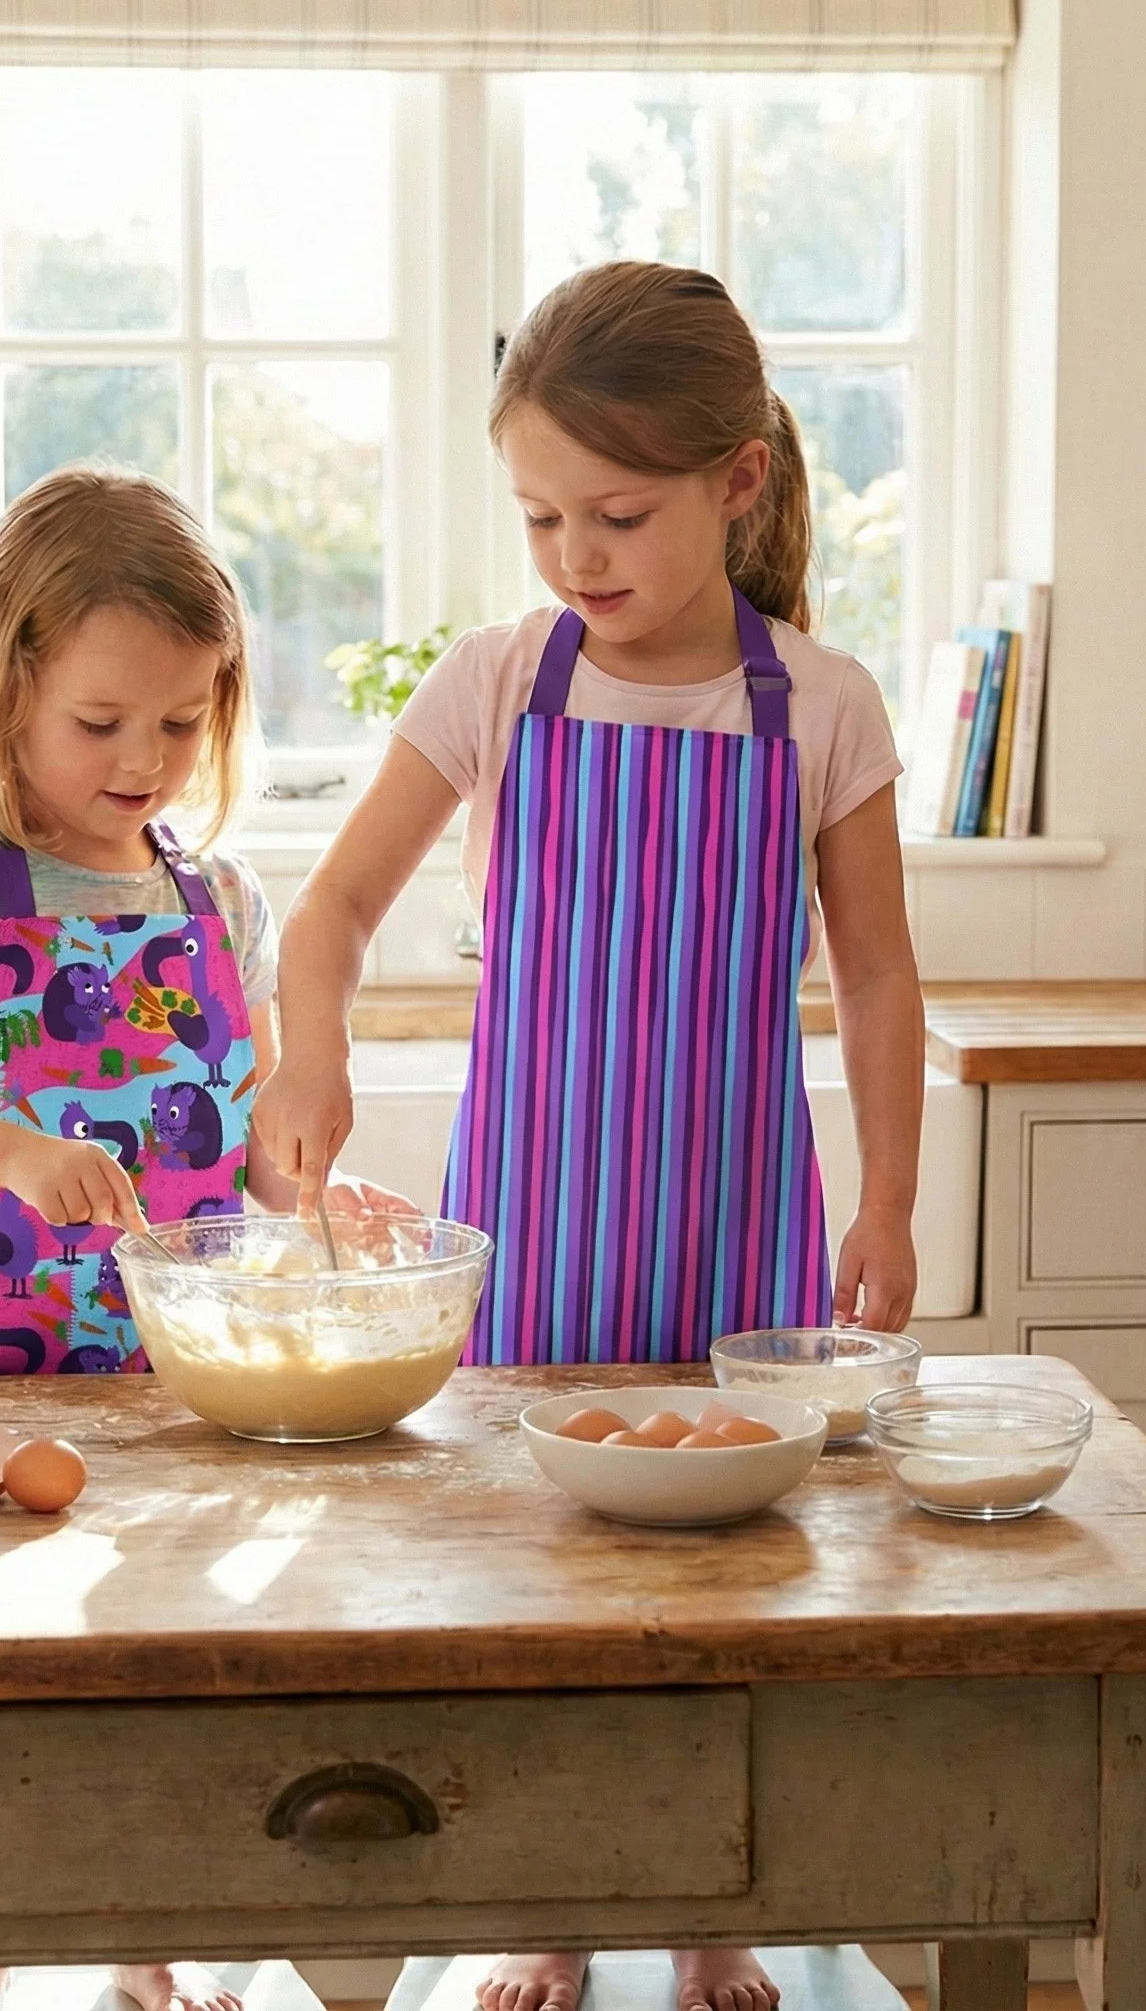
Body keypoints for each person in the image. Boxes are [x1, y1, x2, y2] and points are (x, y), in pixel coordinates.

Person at [257, 262, 926, 2011]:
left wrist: (894, 1206)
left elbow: (875, 983)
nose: (577, 556)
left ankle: (710, 1910)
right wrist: (306, 1060)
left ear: (741, 484)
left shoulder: (822, 706)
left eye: (616, 515)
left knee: (730, 1575)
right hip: (538, 1219)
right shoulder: (501, 684)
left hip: (736, 1221)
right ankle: (548, 1900)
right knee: (537, 1569)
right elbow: (323, 911)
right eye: (544, 515)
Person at [0, 464, 401, 2011]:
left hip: (186, 1371)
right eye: (103, 722)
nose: (146, 759)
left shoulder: (221, 899)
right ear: (8, 678)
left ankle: (148, 1936)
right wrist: (9, 1151)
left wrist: (312, 1194)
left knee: (164, 1663)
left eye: (183, 721)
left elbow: (250, 1127)